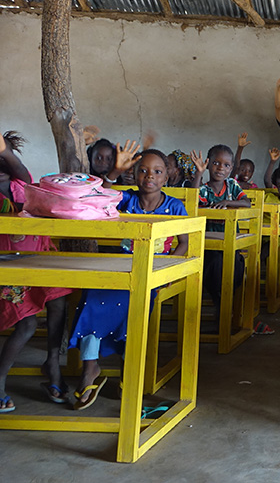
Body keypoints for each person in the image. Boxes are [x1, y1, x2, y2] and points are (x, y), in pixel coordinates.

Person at [69, 146, 189, 410]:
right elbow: (98, 196)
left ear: (166, 177)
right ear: (134, 174)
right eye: (143, 170)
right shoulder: (125, 200)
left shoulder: (174, 206)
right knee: (93, 294)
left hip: (152, 273)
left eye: (157, 171)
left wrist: (166, 270)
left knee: (134, 304)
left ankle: (128, 371)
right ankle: (90, 368)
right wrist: (115, 172)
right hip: (120, 268)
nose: (150, 176)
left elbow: (184, 242)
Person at [0, 131, 72, 412]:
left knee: (59, 301)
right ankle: (0, 380)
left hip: (39, 259)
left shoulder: (23, 188)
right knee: (27, 324)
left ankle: (52, 364)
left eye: (4, 161)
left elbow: (22, 173)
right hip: (8, 269)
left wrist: (6, 152)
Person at [190, 145, 253, 317]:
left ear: (231, 168)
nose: (220, 168)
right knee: (215, 263)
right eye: (216, 163)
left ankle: (226, 301)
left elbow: (247, 203)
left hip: (232, 243)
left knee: (234, 264)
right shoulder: (204, 189)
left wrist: (227, 203)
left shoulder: (232, 185)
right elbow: (192, 201)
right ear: (208, 165)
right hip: (208, 245)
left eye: (226, 165)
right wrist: (198, 173)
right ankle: (220, 302)